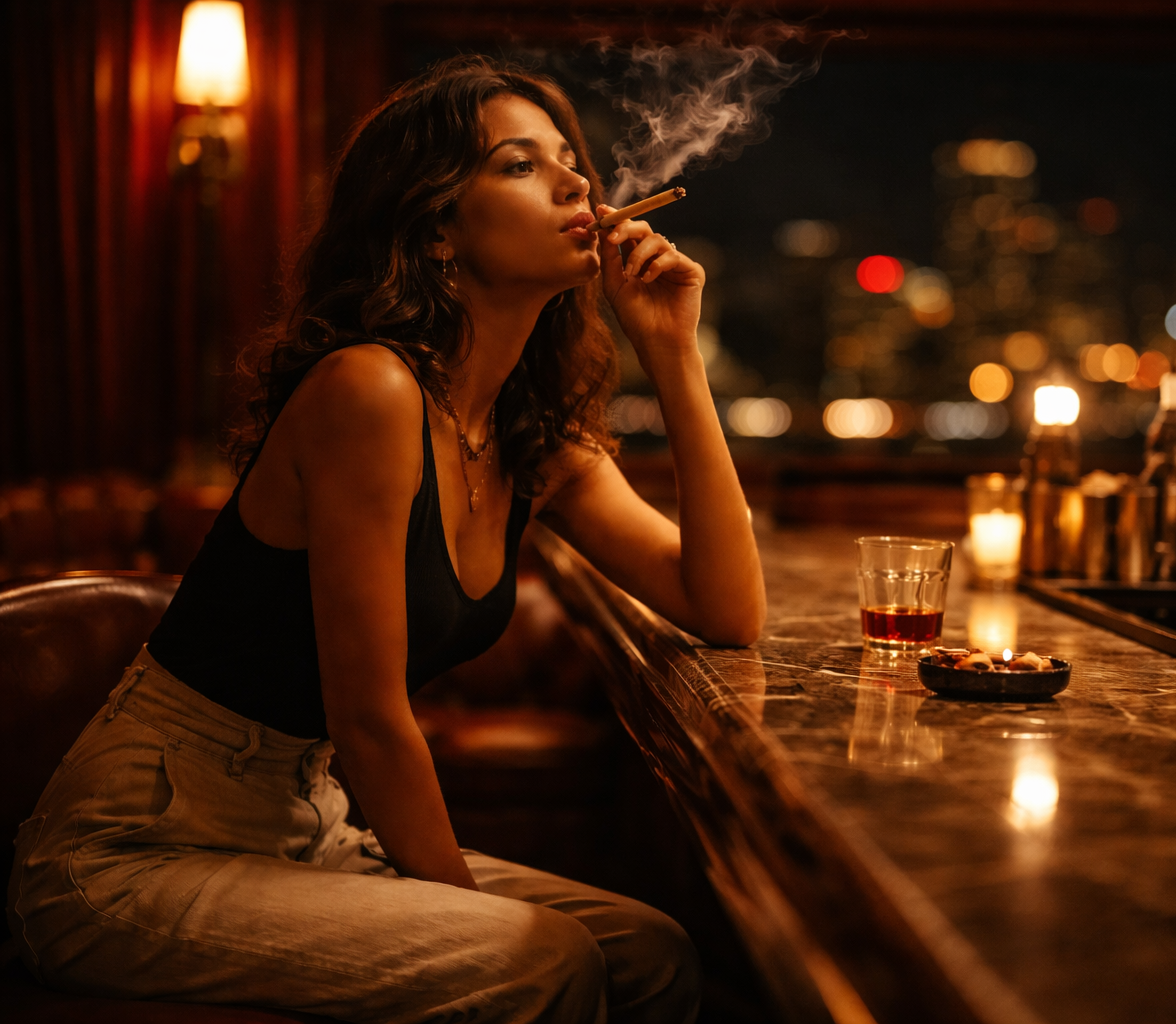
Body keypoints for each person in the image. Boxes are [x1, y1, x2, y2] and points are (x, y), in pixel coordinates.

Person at [7, 55, 764, 1024]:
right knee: (544, 961)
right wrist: (461, 914)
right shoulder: (369, 388)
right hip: (135, 854)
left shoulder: (533, 438)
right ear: (436, 225)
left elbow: (726, 608)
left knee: (654, 955)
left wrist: (673, 353)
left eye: (573, 159)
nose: (579, 182)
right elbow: (367, 717)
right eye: (521, 164)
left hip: (302, 821)